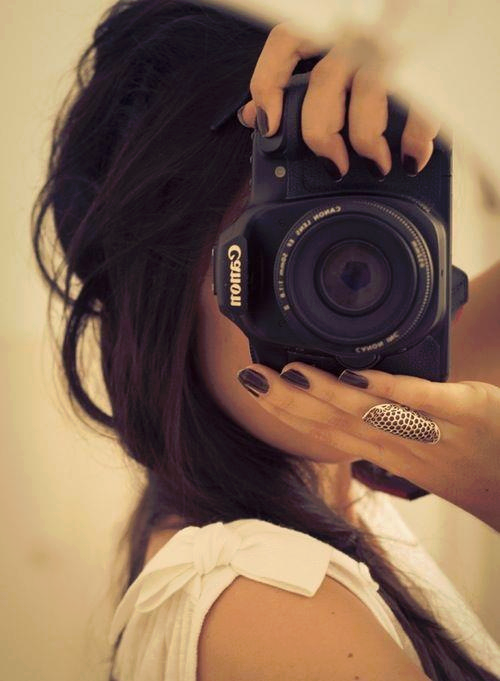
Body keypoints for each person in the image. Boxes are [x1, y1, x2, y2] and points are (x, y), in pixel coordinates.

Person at [31, 1, 500, 680]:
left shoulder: (327, 488)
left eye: (382, 235)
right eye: (301, 251)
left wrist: (447, 56)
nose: (359, 297)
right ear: (165, 284)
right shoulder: (273, 609)